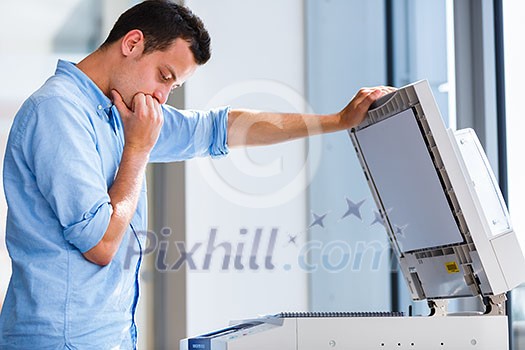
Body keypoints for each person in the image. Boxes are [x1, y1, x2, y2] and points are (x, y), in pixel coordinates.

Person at [0, 0, 393, 349]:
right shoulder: (58, 112)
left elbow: (220, 129)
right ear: (132, 43)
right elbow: (100, 244)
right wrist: (139, 148)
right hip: (60, 340)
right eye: (165, 76)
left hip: (111, 336)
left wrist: (338, 121)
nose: (163, 96)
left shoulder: (122, 114)